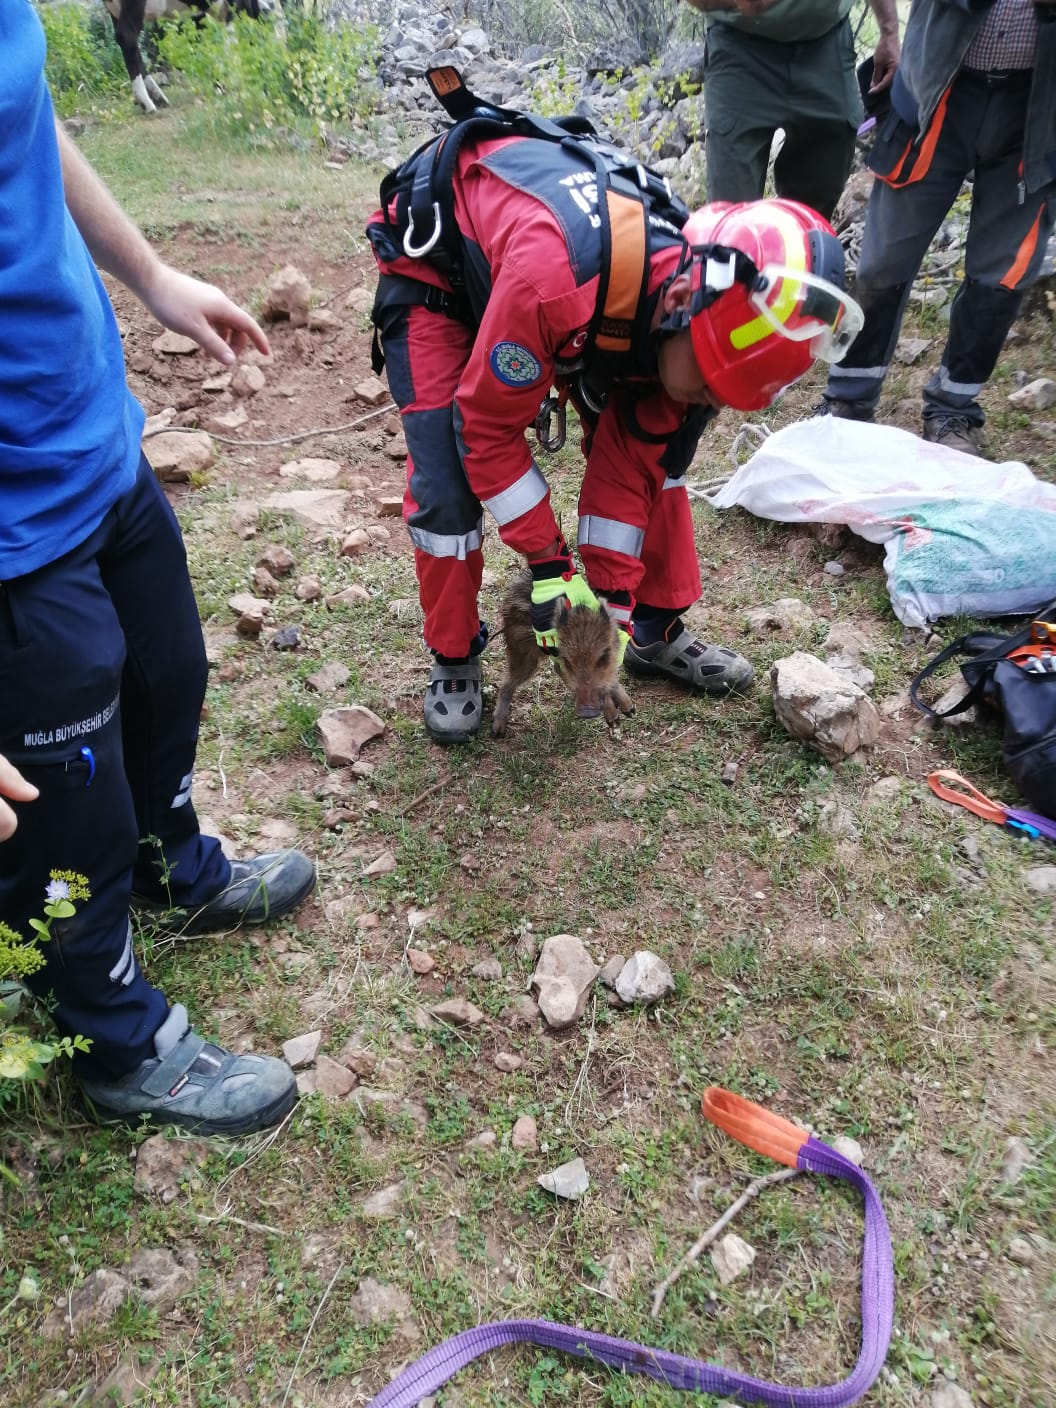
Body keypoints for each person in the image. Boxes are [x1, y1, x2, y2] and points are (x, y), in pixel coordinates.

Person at [0, 0, 315, 1135]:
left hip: (85, 425)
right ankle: (116, 1037)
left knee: (167, 671)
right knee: (62, 812)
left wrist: (149, 274)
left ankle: (169, 861)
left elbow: (23, 116)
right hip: (8, 530)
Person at [366, 78, 864, 743]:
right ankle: (455, 654)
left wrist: (608, 614)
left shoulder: (698, 312)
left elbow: (626, 478)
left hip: (572, 301)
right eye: (710, 383)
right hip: (443, 273)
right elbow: (485, 429)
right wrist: (549, 566)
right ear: (684, 303)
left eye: (726, 397)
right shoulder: (557, 280)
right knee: (446, 479)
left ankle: (651, 629)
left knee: (663, 462)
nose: (709, 404)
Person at [820, 0, 1056, 455]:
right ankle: (849, 397)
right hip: (941, 86)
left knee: (1003, 270)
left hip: (1036, 107)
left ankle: (954, 407)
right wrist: (890, 31)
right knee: (884, 256)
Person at [685, 0, 901, 221]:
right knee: (730, 218)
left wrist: (889, 31)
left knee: (814, 211)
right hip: (739, 49)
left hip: (826, 43)